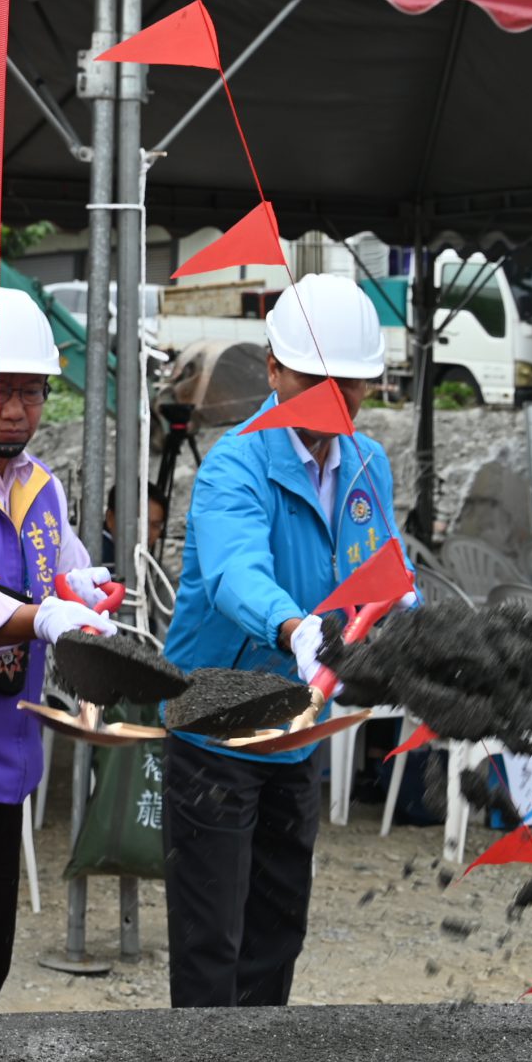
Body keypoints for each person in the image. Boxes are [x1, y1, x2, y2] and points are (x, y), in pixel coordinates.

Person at [162, 273, 404, 1009]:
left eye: (353, 384)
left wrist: (403, 623)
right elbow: (238, 573)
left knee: (276, 932)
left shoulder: (367, 464)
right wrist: (296, 628)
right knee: (212, 944)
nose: (336, 399)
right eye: (314, 378)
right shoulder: (235, 464)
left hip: (297, 727)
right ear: (273, 369)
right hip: (217, 727)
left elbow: (384, 567)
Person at [0, 288, 111, 1013]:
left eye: (30, 390)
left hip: (10, 750)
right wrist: (43, 615)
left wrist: (85, 588)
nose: (15, 408)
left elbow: (62, 562)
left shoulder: (40, 486)